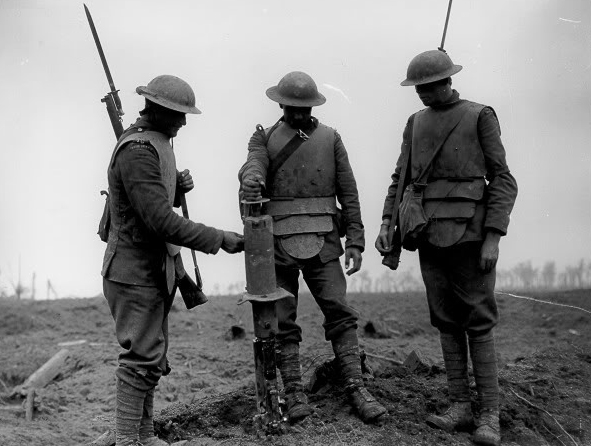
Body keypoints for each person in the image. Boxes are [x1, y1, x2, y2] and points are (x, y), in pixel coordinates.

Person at [375, 50, 518, 446]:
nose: (421, 94)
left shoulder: (479, 116)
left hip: (472, 236)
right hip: (426, 234)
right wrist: (388, 224)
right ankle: (459, 407)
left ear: (447, 82)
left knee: (478, 319)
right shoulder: (415, 123)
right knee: (444, 318)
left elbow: (504, 180)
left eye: (427, 86)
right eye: (417, 88)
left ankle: (489, 415)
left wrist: (493, 237)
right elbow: (400, 179)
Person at [101, 74, 244, 446]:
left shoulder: (157, 143)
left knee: (151, 356)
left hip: (153, 269)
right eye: (179, 115)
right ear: (160, 111)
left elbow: (151, 198)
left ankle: (144, 436)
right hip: (133, 272)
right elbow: (160, 220)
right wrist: (220, 239)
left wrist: (176, 186)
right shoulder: (137, 151)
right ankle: (128, 440)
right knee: (140, 359)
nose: (183, 122)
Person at [238, 71, 387, 424]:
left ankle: (355, 386)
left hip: (325, 240)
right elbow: (254, 163)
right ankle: (293, 392)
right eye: (292, 108)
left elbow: (348, 191)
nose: (299, 114)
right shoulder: (264, 137)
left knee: (339, 310)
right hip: (278, 241)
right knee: (282, 319)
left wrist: (355, 241)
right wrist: (251, 179)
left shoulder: (331, 138)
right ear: (281, 105)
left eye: (304, 108)